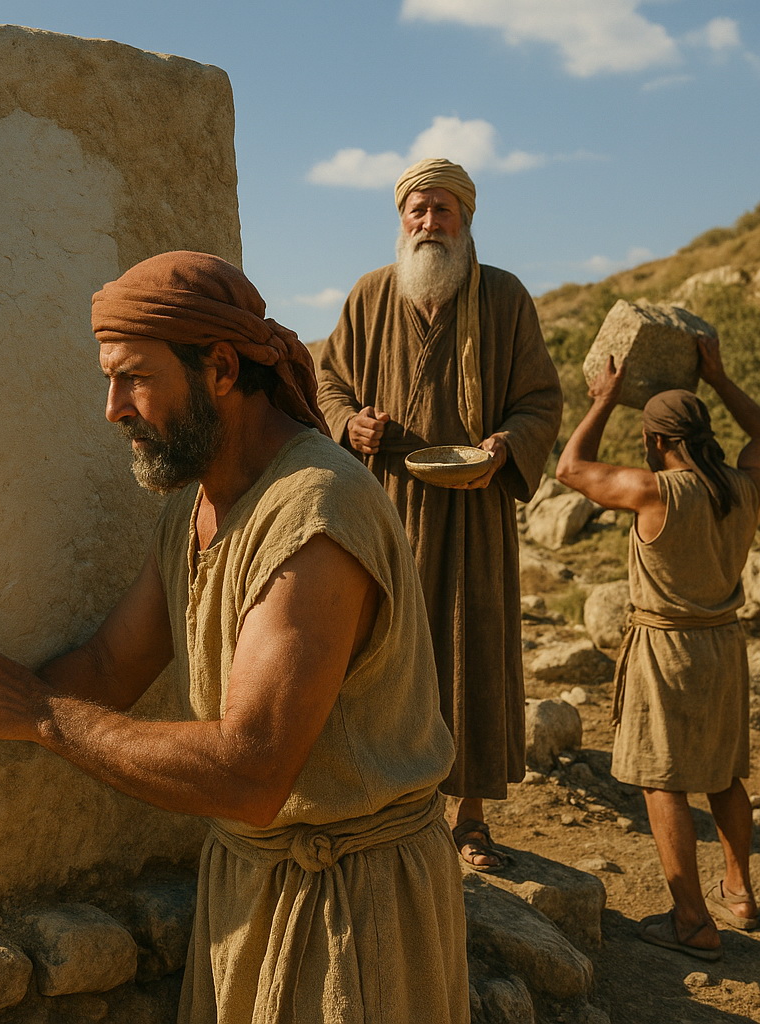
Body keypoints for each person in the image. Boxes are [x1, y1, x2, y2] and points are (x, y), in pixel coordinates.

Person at [0, 252, 469, 1022]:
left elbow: (252, 773)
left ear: (217, 368)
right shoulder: (195, 505)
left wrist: (43, 715)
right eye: (109, 380)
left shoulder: (316, 515)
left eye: (134, 378)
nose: (112, 408)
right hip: (253, 890)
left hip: (350, 909)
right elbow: (110, 665)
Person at [317, 157, 562, 870]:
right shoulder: (369, 296)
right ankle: (388, 799)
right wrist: (348, 426)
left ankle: (471, 816)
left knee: (470, 648)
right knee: (378, 652)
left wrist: (505, 445)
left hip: (475, 511)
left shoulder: (507, 299)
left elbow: (540, 399)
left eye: (442, 211)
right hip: (384, 504)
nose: (428, 223)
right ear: (402, 220)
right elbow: (328, 379)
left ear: (466, 219)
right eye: (416, 211)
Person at [556, 336, 760, 960]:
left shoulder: (651, 492)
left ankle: (694, 922)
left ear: (654, 440)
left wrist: (605, 400)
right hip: (725, 646)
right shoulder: (743, 488)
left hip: (665, 650)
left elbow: (569, 468)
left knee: (661, 782)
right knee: (724, 773)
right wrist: (722, 381)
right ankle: (743, 893)